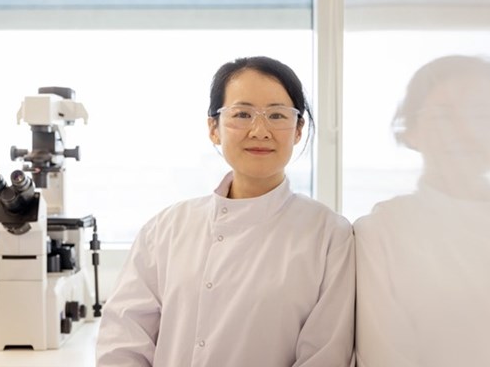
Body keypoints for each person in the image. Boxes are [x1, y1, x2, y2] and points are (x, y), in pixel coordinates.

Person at [97, 56, 355, 367]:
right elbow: (122, 343)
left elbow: (325, 356)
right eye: (242, 114)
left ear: (298, 130)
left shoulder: (329, 236)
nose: (260, 130)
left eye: (277, 115)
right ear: (214, 129)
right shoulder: (165, 229)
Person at [354, 55, 490, 367]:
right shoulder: (381, 232)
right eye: (444, 117)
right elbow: (384, 356)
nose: (464, 131)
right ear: (412, 131)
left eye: (481, 115)